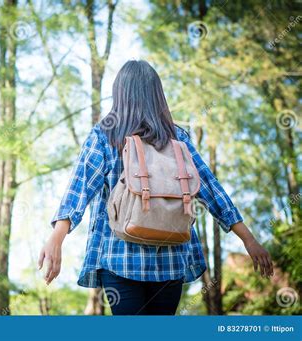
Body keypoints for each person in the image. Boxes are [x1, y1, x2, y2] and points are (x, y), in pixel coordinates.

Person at [38, 60, 273, 315]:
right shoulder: (177, 138)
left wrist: (56, 238)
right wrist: (248, 239)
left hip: (120, 258)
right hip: (170, 259)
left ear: (120, 95)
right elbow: (211, 190)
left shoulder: (106, 136)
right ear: (157, 95)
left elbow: (79, 189)